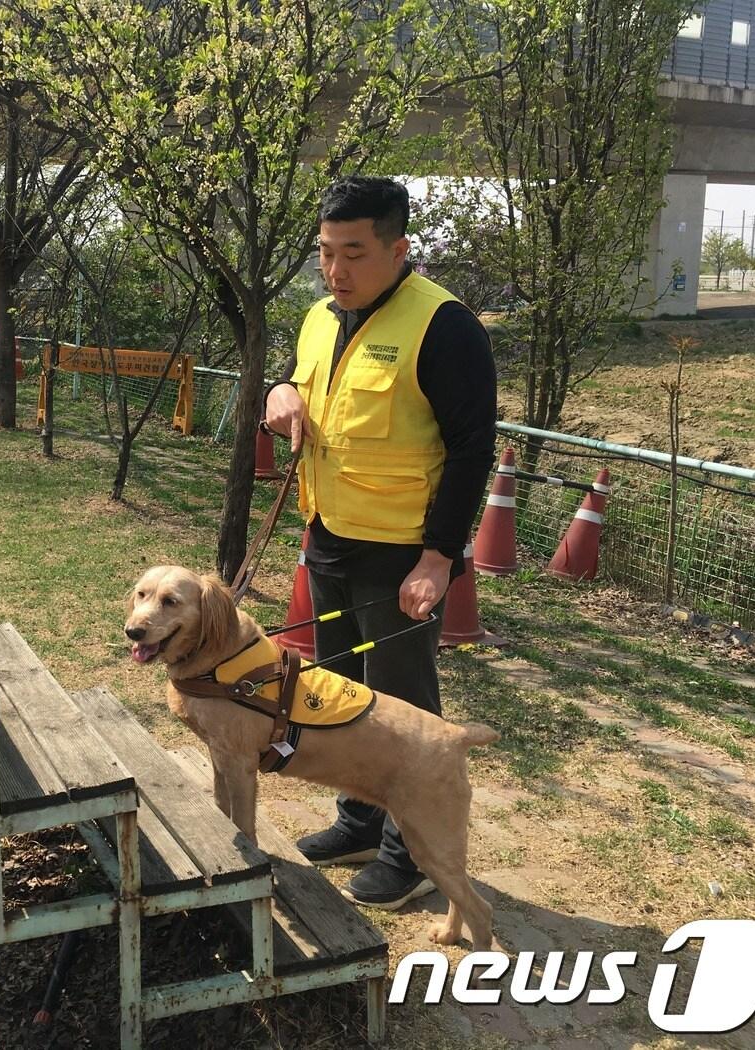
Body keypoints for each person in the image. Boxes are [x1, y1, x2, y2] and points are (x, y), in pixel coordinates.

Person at [262, 176, 497, 911]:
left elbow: (472, 451)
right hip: (329, 536)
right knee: (337, 695)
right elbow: (301, 386)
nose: (336, 270)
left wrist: (439, 557)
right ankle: (358, 823)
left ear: (399, 249)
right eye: (326, 252)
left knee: (403, 713)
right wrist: (279, 393)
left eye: (355, 253)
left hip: (402, 554)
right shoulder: (317, 317)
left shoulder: (445, 326)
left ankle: (412, 854)